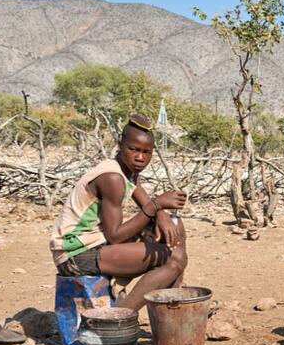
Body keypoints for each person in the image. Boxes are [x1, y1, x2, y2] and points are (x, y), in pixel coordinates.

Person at [50, 113, 188, 311]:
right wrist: (157, 205)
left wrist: (162, 214)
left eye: (146, 152)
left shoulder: (128, 172)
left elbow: (146, 204)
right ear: (120, 145)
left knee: (175, 225)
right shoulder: (112, 177)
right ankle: (122, 317)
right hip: (75, 253)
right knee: (174, 259)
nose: (140, 157)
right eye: (134, 149)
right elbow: (115, 236)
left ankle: (171, 313)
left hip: (97, 243)